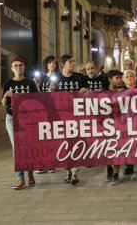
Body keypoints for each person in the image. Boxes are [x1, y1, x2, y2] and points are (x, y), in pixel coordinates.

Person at [2, 56, 39, 190]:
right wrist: (6, 96)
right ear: (12, 69)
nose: (18, 68)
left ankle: (29, 174)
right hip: (12, 118)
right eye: (15, 66)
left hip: (28, 119)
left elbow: (38, 101)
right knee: (17, 147)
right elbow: (3, 103)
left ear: (24, 67)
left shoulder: (30, 83)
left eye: (20, 65)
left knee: (28, 147)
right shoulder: (8, 83)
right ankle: (20, 177)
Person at [51, 54, 88, 185]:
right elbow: (50, 99)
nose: (73, 64)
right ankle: (67, 171)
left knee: (75, 143)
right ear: (62, 65)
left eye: (74, 61)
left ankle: (74, 173)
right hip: (61, 118)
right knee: (65, 144)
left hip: (77, 117)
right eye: (70, 62)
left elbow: (89, 93)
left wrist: (85, 90)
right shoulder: (56, 79)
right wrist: (52, 92)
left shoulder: (80, 77)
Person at [35, 55, 59, 174]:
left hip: (54, 111)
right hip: (42, 111)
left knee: (51, 137)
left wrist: (54, 92)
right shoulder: (42, 79)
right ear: (46, 64)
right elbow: (38, 96)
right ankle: (41, 162)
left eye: (54, 63)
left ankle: (51, 162)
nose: (53, 65)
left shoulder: (58, 78)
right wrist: (38, 87)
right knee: (41, 137)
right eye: (50, 63)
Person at [105, 70, 125, 185]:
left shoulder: (124, 91)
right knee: (108, 148)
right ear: (110, 80)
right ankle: (109, 168)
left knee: (118, 148)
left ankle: (116, 173)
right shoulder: (103, 92)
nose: (120, 80)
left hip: (120, 125)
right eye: (117, 78)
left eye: (120, 78)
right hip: (106, 125)